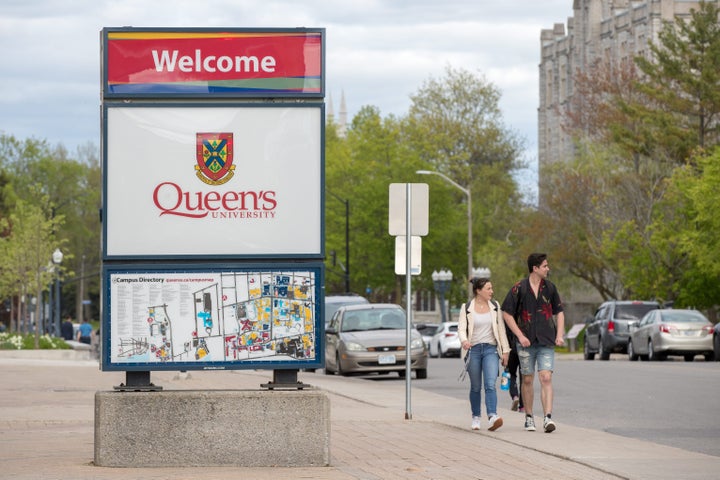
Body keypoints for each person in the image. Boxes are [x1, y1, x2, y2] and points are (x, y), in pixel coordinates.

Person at [502, 253, 564, 433]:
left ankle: (547, 418)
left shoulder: (550, 288)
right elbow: (506, 313)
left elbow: (559, 312)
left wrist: (559, 334)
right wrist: (519, 335)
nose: (548, 268)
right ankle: (529, 417)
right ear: (535, 268)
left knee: (546, 377)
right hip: (525, 342)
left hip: (546, 340)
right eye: (545, 266)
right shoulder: (518, 288)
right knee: (527, 379)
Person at [458, 277, 511, 432]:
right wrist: (464, 340)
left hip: (491, 349)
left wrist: (506, 351)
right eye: (488, 289)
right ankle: (476, 417)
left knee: (489, 384)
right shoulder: (467, 307)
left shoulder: (495, 306)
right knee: (475, 387)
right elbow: (461, 328)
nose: (491, 291)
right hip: (473, 349)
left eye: (491, 288)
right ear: (478, 291)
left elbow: (501, 329)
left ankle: (493, 416)